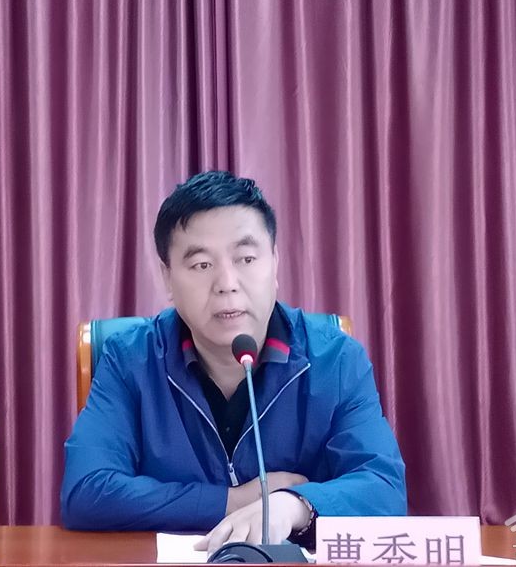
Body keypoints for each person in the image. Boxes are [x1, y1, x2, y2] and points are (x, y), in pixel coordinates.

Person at [61, 171, 406, 552]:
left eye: (246, 258)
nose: (227, 283)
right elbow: (86, 490)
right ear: (167, 278)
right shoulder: (129, 359)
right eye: (201, 265)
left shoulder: (335, 359)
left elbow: (384, 488)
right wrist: (233, 501)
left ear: (274, 263)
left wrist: (294, 507)